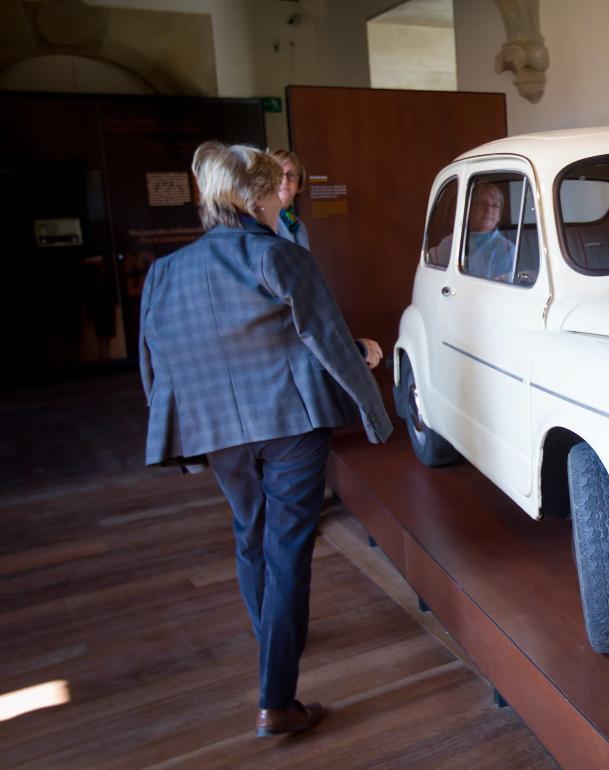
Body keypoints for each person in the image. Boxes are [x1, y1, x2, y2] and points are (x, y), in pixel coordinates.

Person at [139, 141, 393, 738]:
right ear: (254, 198)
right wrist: (373, 400)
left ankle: (271, 640)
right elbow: (327, 338)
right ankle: (276, 700)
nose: (284, 197)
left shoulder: (163, 273)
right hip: (290, 423)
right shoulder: (277, 256)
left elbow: (156, 363)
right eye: (276, 190)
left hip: (216, 428)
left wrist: (173, 421)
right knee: (288, 550)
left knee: (249, 533)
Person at [462, 182, 516, 281]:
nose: (488, 210)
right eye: (482, 204)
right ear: (470, 209)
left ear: (499, 216)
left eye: (495, 206)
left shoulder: (507, 250)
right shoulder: (450, 242)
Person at [271, 148, 310, 249]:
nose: (285, 180)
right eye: (277, 174)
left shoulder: (299, 225)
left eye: (291, 175)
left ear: (299, 184)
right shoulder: (260, 223)